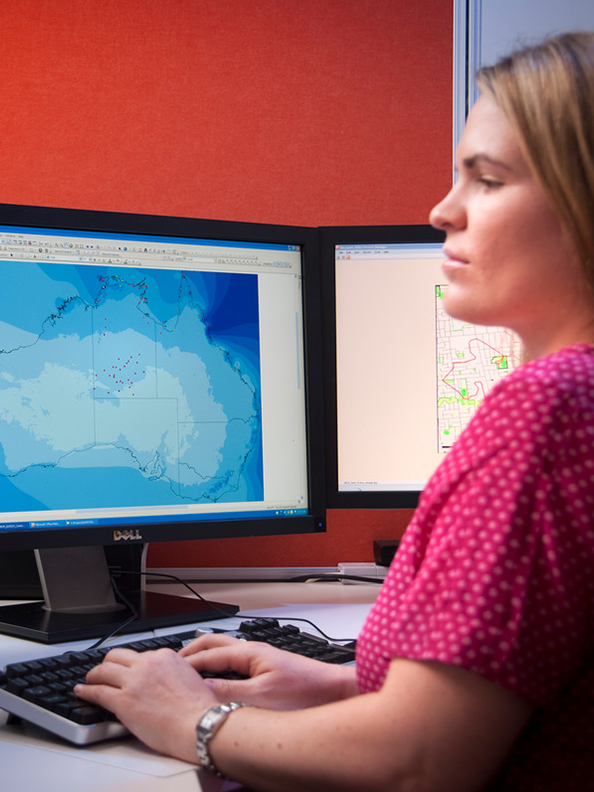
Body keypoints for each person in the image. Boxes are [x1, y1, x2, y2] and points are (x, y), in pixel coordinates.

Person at [75, 32, 594, 791]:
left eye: (486, 179)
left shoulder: (546, 411)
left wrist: (197, 723)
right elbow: (530, 688)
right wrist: (336, 687)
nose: (442, 209)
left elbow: (420, 763)